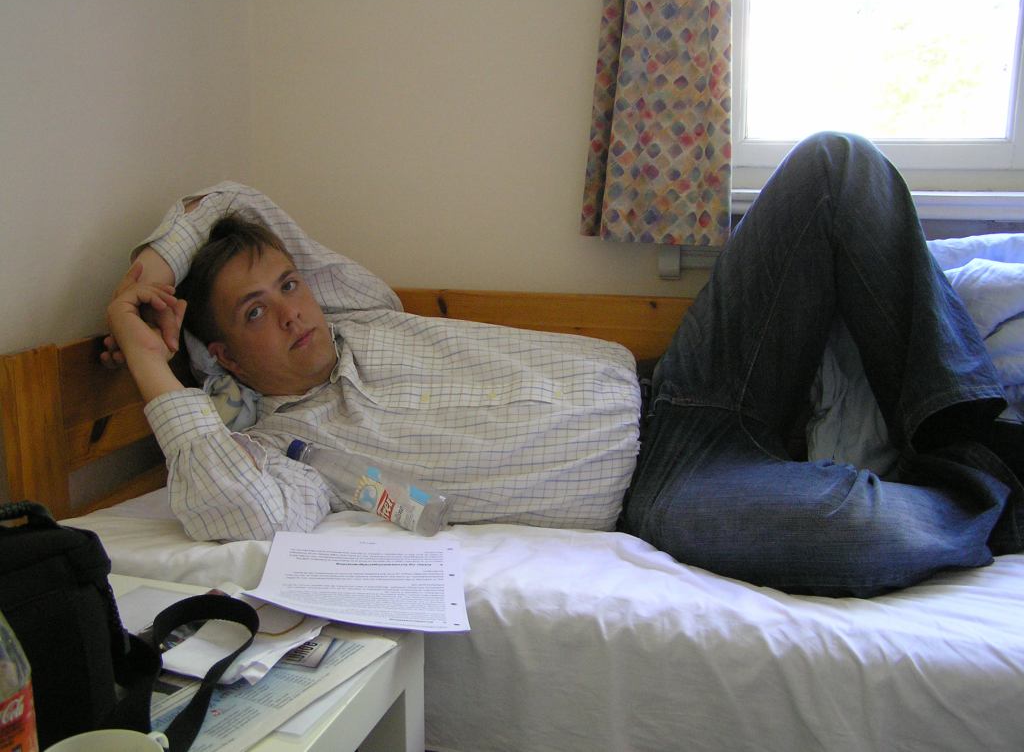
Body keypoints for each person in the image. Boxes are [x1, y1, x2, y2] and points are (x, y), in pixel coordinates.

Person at [106, 132, 1023, 598]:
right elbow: (232, 515)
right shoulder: (282, 462)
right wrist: (153, 364)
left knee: (836, 165)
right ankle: (990, 491)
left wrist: (157, 259)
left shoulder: (357, 311)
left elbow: (234, 196)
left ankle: (967, 427)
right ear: (223, 356)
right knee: (856, 532)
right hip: (662, 488)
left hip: (685, 378)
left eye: (288, 284)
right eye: (256, 313)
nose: (292, 311)